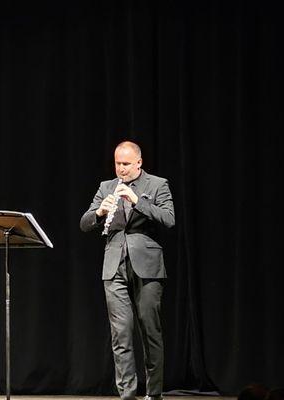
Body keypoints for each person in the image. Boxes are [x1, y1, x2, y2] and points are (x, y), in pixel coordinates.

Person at [80, 141, 175, 400]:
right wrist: (99, 212)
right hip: (114, 266)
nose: (120, 169)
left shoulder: (157, 185)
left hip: (147, 266)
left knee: (150, 331)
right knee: (120, 335)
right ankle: (127, 395)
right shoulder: (106, 187)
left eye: (125, 164)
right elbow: (84, 223)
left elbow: (169, 218)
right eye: (117, 164)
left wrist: (137, 202)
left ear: (138, 163)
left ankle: (154, 394)